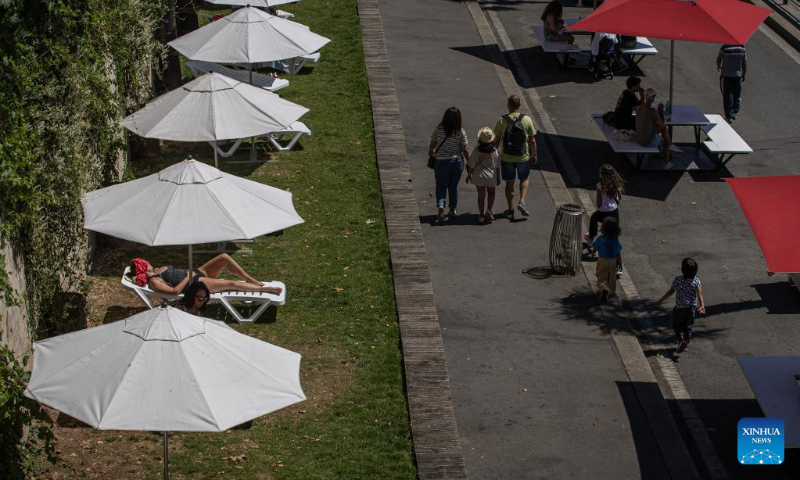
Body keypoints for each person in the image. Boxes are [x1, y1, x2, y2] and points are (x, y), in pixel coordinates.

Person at [130, 254, 282, 296]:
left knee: (223, 257)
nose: (148, 261)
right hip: (193, 284)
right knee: (231, 284)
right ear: (143, 267)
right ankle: (267, 290)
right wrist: (186, 279)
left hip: (196, 273)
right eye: (145, 262)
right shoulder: (154, 281)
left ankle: (250, 279)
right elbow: (174, 292)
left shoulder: (156, 270)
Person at [492, 95, 538, 220]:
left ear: (509, 105)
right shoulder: (527, 119)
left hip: (507, 157)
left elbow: (496, 141)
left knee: (509, 184)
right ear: (519, 106)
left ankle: (510, 209)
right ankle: (522, 201)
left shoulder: (502, 120)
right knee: (524, 178)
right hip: (523, 156)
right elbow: (532, 140)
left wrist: (494, 155)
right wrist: (534, 155)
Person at [656, 258, 706, 353]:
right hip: (691, 309)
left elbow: (670, 292)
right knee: (688, 327)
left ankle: (680, 338)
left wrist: (661, 300)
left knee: (677, 325)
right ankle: (685, 343)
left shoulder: (678, 280)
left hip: (680, 308)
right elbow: (700, 293)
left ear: (682, 270)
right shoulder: (696, 281)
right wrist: (702, 305)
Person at [429, 107, 469, 222]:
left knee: (441, 185)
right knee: (453, 186)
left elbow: (432, 144)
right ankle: (452, 210)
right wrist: (469, 162)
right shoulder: (460, 131)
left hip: (440, 161)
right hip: (456, 161)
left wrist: (431, 152)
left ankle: (441, 205)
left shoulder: (439, 128)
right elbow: (465, 149)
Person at [584, 164, 624, 251]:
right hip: (614, 211)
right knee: (614, 228)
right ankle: (615, 245)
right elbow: (619, 197)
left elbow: (598, 201)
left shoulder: (599, 185)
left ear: (603, 175)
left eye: (600, 173)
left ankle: (591, 238)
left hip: (603, 211)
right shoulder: (616, 184)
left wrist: (599, 207)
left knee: (594, 218)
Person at [466, 127, 502, 223]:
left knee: (481, 196)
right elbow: (497, 166)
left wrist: (469, 175)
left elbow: (472, 165)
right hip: (491, 175)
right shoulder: (495, 151)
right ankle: (489, 210)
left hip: (479, 175)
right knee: (491, 192)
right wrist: (499, 177)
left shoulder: (476, 150)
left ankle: (481, 215)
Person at [635, 88, 672, 165]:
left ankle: (662, 153)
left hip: (638, 138)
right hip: (647, 142)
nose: (654, 98)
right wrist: (661, 111)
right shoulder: (652, 111)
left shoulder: (639, 108)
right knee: (667, 140)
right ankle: (667, 163)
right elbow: (662, 124)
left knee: (661, 129)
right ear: (651, 98)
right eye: (654, 96)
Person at [592, 217, 622, 303]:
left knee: (601, 276)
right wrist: (620, 262)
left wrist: (593, 253)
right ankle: (610, 289)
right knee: (612, 277)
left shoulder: (600, 239)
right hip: (612, 260)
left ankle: (604, 289)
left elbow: (595, 247)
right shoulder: (615, 240)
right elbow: (618, 252)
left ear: (603, 228)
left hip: (602, 260)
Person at [717, 44, 747, 123]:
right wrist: (744, 74)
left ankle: (729, 115)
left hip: (726, 75)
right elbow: (744, 62)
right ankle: (735, 112)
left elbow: (719, 58)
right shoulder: (742, 48)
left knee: (728, 95)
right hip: (737, 76)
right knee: (736, 94)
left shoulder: (725, 47)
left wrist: (718, 66)